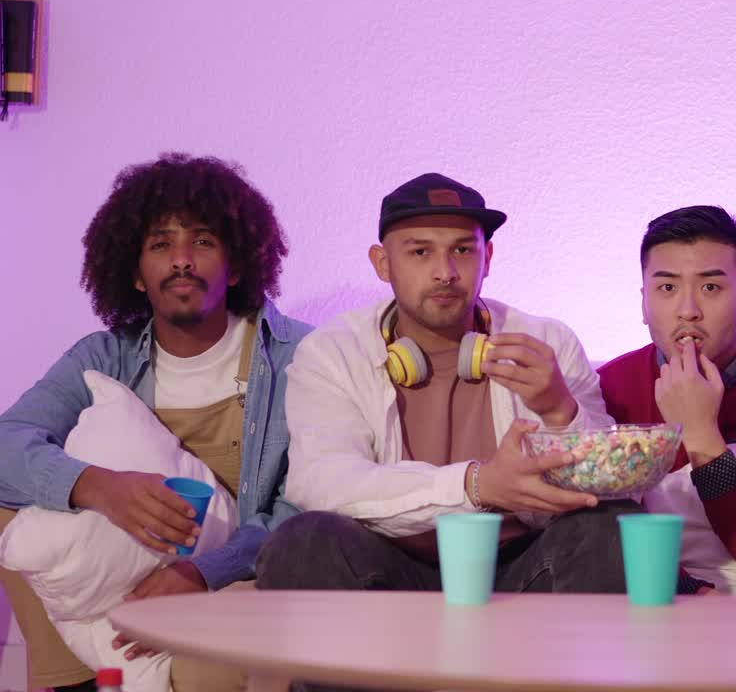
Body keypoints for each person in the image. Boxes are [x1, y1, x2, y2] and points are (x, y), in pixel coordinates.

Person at [0, 153, 309, 692]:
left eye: (203, 241)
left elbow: (306, 503)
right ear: (136, 274)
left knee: (213, 661)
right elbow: (8, 441)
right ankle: (78, 682)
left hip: (237, 573)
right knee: (9, 506)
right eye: (161, 245)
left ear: (237, 265)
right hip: (117, 572)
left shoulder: (297, 358)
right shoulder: (103, 357)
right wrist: (97, 487)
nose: (182, 260)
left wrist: (202, 572)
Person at [257, 173, 633, 601]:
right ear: (382, 263)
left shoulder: (546, 342)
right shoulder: (333, 351)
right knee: (303, 541)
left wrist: (560, 411)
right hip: (388, 564)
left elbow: (609, 485)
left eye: (463, 250)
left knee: (612, 523)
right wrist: (477, 485)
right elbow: (322, 481)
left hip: (521, 565)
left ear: (487, 258)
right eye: (420, 252)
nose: (445, 273)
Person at [597, 206, 736, 594]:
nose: (688, 311)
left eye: (710, 287)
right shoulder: (607, 388)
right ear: (644, 303)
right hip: (649, 595)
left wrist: (702, 437)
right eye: (667, 288)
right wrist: (688, 590)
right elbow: (593, 537)